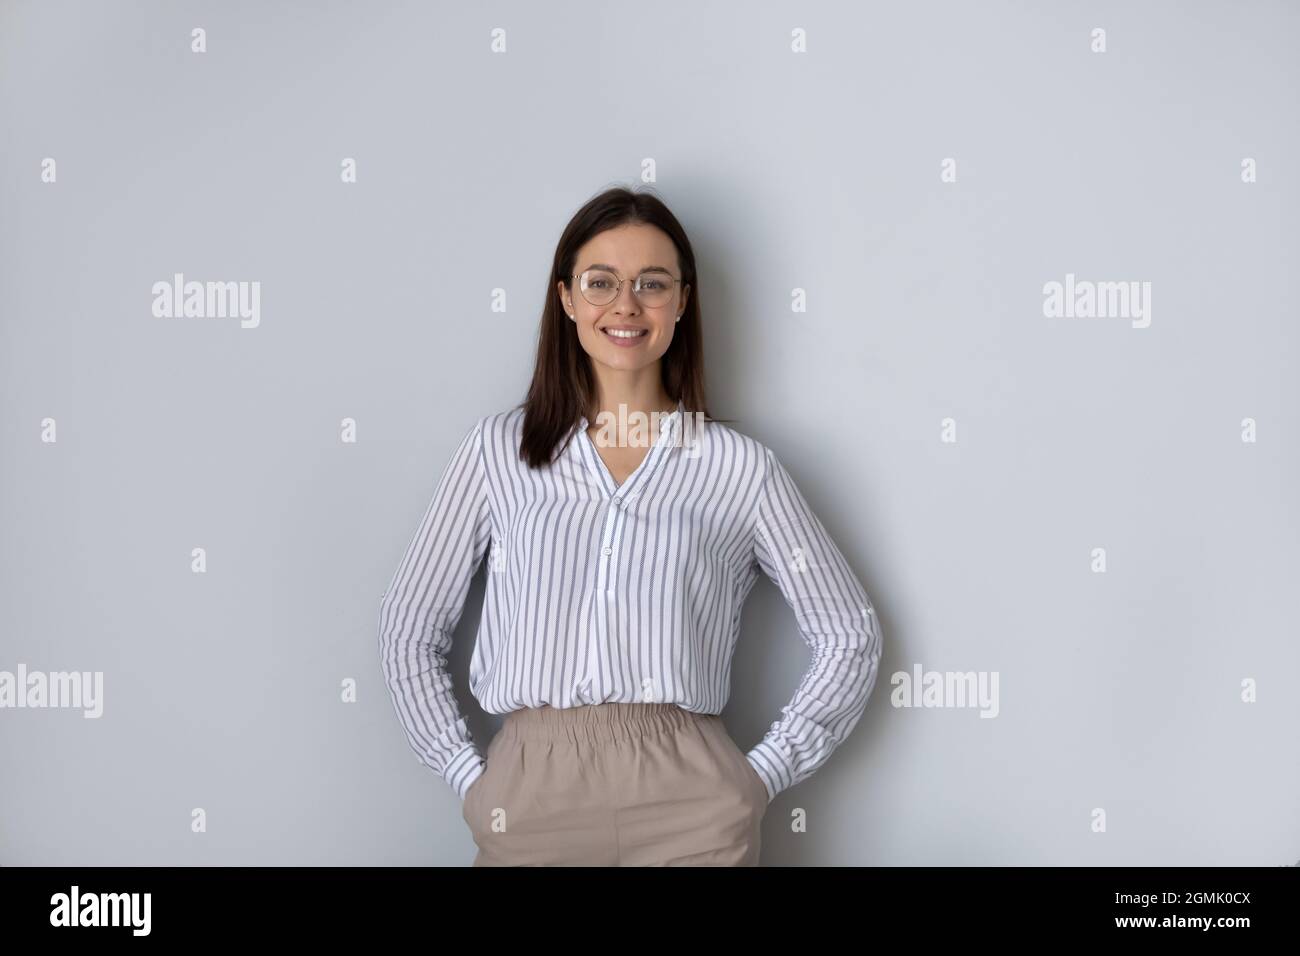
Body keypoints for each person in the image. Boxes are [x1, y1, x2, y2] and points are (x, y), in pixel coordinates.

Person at [377, 185, 883, 866]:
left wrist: (759, 778)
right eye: (601, 282)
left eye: (652, 283)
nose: (626, 305)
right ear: (565, 299)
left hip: (690, 801)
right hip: (531, 792)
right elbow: (410, 628)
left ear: (682, 301)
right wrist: (470, 778)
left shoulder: (738, 469)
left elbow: (849, 633)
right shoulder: (498, 450)